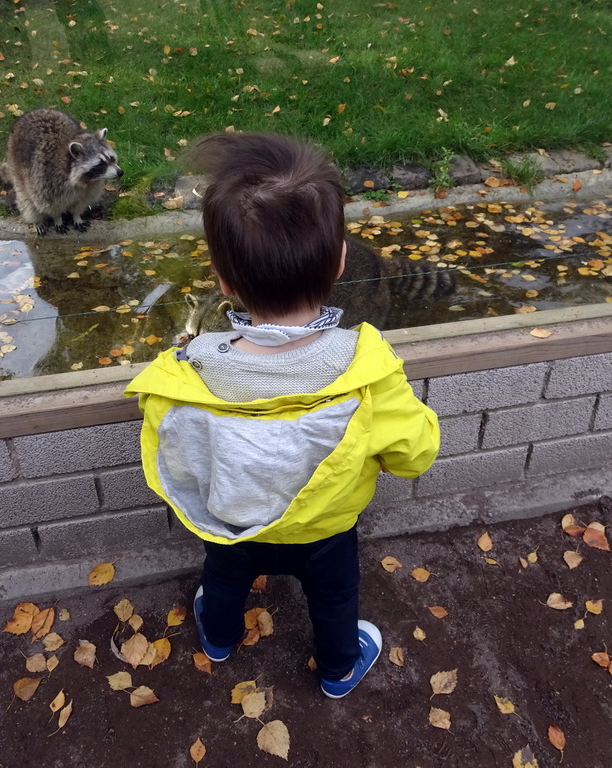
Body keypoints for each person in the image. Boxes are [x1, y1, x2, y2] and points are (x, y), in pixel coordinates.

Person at [125, 132, 440, 698]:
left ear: (223, 279)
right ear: (341, 260)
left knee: (222, 580)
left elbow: (173, 446)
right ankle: (339, 669)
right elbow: (414, 456)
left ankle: (218, 639)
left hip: (231, 525)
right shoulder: (368, 370)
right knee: (336, 597)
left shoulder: (188, 372)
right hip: (326, 534)